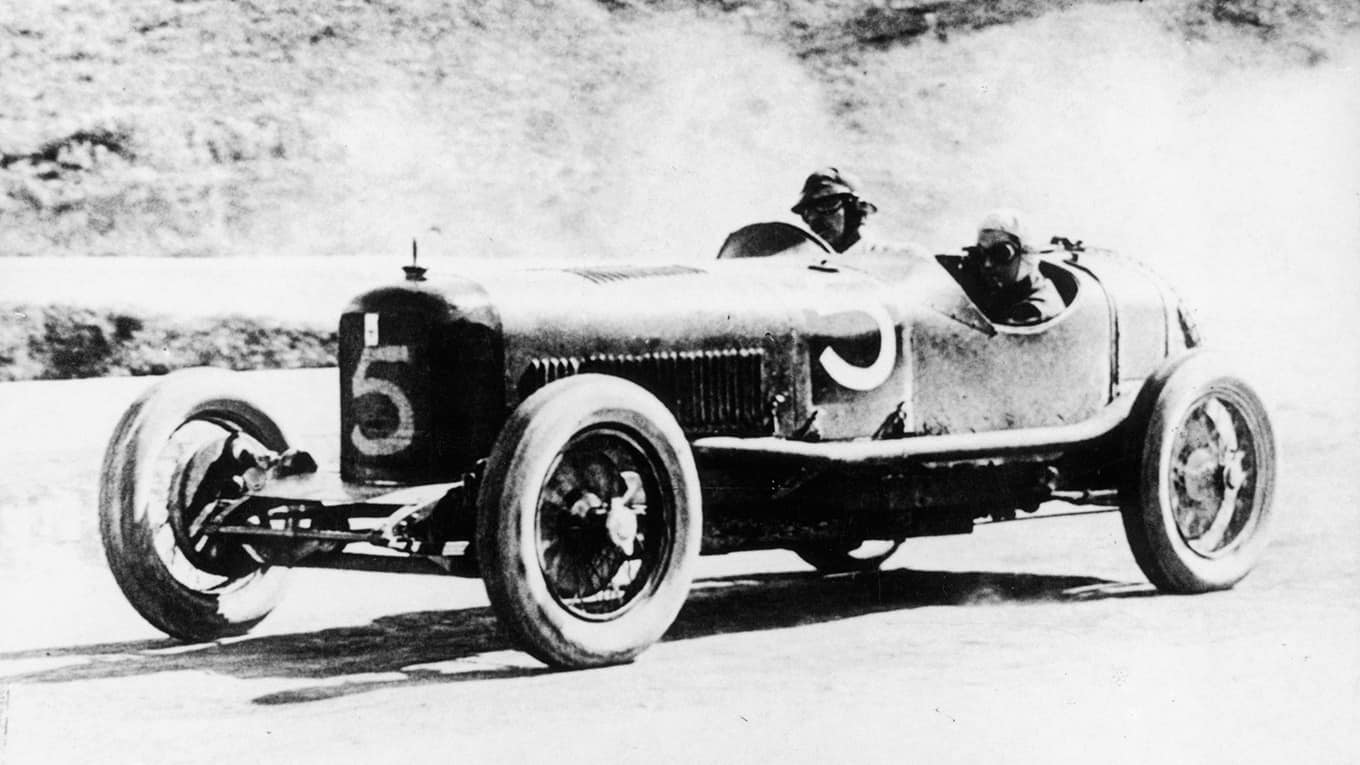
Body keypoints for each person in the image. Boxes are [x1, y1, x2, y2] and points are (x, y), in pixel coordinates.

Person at [965, 208, 1064, 325]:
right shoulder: (1009, 287)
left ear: (1026, 256)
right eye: (980, 254)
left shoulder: (1033, 310)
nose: (987, 264)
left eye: (1000, 254)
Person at [791, 167, 883, 254]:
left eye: (827, 205)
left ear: (852, 210)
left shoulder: (884, 257)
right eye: (807, 213)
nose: (814, 219)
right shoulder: (808, 262)